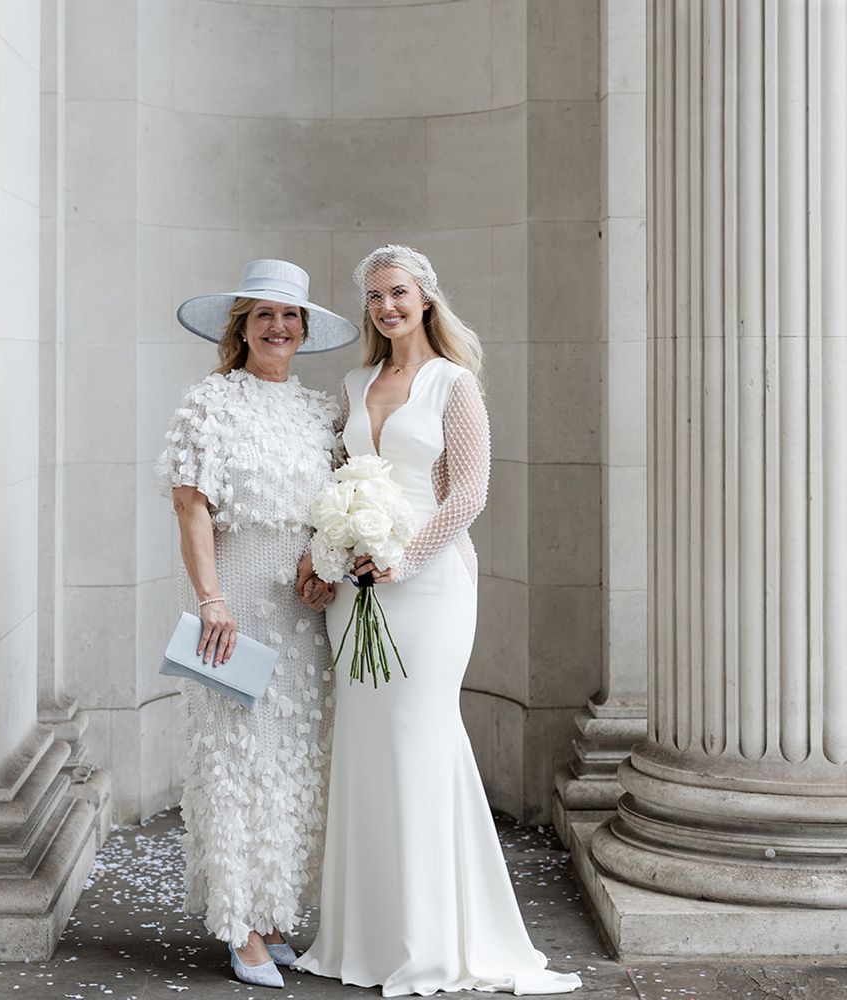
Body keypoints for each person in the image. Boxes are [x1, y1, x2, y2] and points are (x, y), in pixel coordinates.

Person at [294, 246, 583, 996]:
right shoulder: (355, 384)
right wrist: (329, 552)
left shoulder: (456, 385)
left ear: (424, 299)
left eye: (398, 293)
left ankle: (432, 942)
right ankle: (364, 937)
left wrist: (404, 559)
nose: (386, 307)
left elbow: (469, 495)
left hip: (428, 586)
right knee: (365, 747)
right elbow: (336, 480)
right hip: (358, 586)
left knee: (418, 742)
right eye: (374, 298)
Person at [155, 259, 358, 989]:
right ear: (240, 326)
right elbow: (190, 505)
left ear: (303, 331)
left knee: (293, 760)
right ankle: (238, 926)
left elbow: (332, 506)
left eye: (291, 316)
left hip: (301, 611)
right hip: (234, 595)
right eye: (264, 314)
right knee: (236, 759)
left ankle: (273, 918)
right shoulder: (210, 402)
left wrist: (322, 561)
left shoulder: (314, 412)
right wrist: (212, 599)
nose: (279, 327)